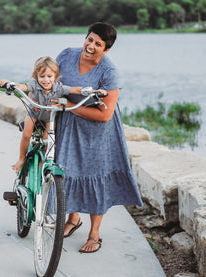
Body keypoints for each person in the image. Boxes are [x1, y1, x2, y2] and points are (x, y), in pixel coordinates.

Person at [54, 22, 143, 253]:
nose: (91, 46)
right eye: (89, 39)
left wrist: (69, 106)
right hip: (68, 125)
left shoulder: (109, 72)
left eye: (98, 44)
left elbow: (105, 115)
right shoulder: (66, 55)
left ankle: (94, 234)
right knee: (67, 171)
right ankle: (74, 219)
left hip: (98, 132)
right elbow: (50, 83)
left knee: (96, 177)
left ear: (106, 49)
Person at [0, 56, 106, 173]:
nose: (45, 80)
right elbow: (23, 87)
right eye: (41, 76)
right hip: (34, 114)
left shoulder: (58, 88)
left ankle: (41, 164)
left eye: (49, 76)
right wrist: (9, 83)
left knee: (48, 141)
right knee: (27, 135)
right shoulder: (35, 85)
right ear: (36, 76)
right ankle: (21, 159)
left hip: (50, 118)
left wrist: (93, 92)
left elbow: (76, 90)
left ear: (55, 76)